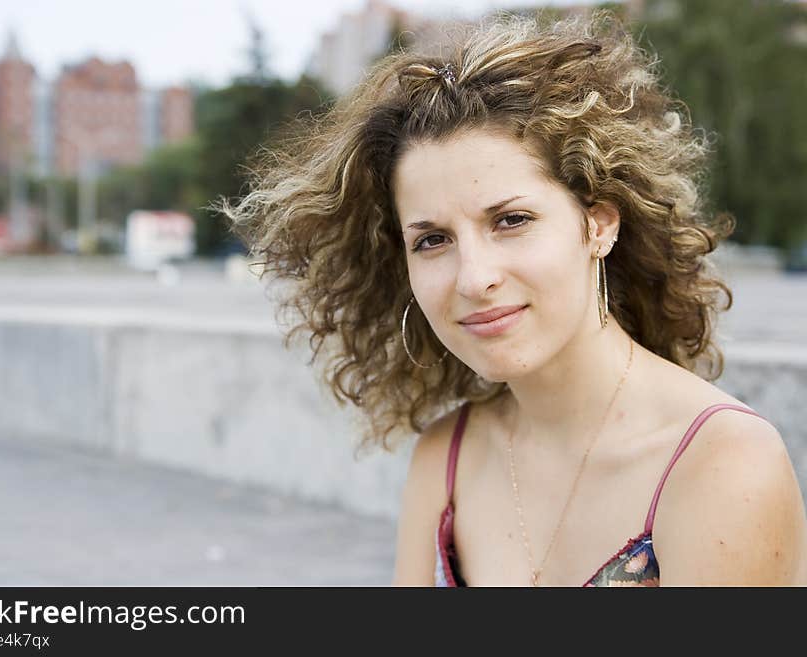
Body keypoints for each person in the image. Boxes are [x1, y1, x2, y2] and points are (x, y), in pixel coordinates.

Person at [216, 10, 807, 586]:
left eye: (511, 220)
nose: (473, 278)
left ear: (597, 224)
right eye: (432, 240)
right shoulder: (443, 462)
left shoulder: (722, 465)